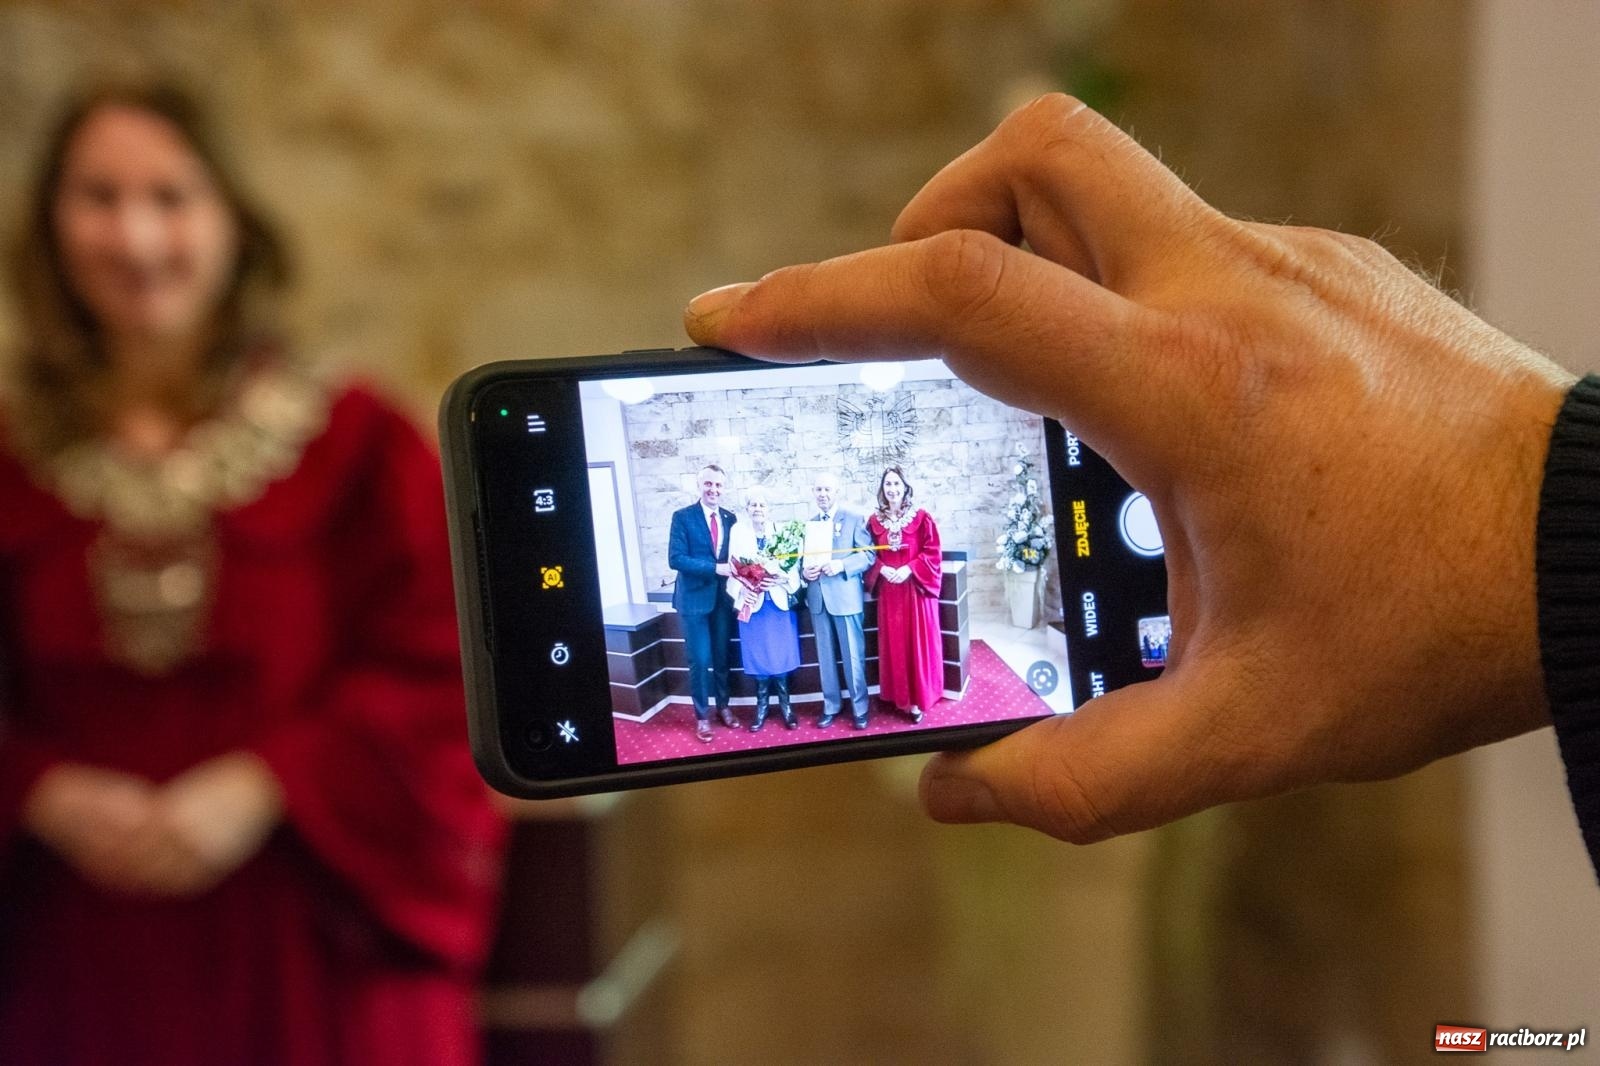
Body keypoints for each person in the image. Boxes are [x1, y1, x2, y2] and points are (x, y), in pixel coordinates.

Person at [682, 93, 1600, 874]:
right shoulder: (769, 522)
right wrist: (1534, 491)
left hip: (891, 595)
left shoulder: (909, 512)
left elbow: (922, 552)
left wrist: (1528, 503)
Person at [0, 80, 505, 1064]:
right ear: (53, 225)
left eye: (170, 197)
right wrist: (39, 789)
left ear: (230, 219)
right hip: (79, 962)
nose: (136, 238)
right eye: (99, 198)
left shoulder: (360, 450)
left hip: (316, 944)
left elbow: (448, 675)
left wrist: (261, 784)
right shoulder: (9, 462)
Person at [865, 465, 943, 724]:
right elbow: (867, 555)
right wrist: (882, 568)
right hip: (890, 594)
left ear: (905, 487)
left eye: (897, 484)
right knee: (896, 645)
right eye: (888, 484)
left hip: (915, 592)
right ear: (882, 489)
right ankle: (901, 698)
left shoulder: (922, 517)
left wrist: (910, 569)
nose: (892, 489)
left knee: (916, 644)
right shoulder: (874, 521)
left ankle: (918, 699)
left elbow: (933, 552)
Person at [668, 463, 740, 741]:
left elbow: (737, 555)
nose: (714, 490)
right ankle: (702, 717)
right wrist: (715, 568)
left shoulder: (731, 518)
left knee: (722, 658)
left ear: (724, 488)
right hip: (693, 602)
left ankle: (723, 707)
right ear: (699, 486)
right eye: (708, 484)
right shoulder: (682, 517)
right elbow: (676, 559)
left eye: (718, 485)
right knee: (699, 660)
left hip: (723, 601)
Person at [800, 471, 874, 729]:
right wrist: (803, 571)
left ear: (836, 492)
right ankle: (831, 705)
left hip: (846, 598)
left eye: (827, 490)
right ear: (813, 492)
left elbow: (868, 556)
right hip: (818, 599)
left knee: (853, 656)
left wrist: (841, 565)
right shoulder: (809, 524)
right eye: (818, 490)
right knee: (825, 657)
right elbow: (803, 560)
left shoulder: (853, 519)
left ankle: (860, 707)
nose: (822, 494)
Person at [725, 487, 802, 731]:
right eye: (753, 505)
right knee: (757, 656)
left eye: (762, 505)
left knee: (780, 654)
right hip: (752, 603)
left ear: (769, 509)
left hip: (777, 603)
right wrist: (743, 587)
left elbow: (794, 566)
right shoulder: (738, 532)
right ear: (747, 509)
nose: (758, 509)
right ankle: (762, 707)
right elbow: (733, 566)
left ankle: (786, 706)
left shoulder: (782, 532)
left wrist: (780, 579)